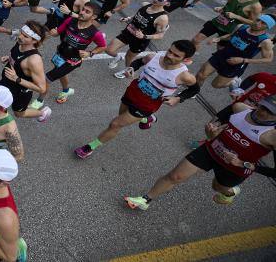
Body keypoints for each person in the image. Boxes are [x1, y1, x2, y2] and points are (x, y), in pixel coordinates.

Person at [124, 95, 276, 210]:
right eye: (263, 107)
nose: (263, 112)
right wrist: (211, 132)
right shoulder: (240, 109)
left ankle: (229, 193)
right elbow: (220, 120)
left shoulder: (272, 136)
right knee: (175, 176)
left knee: (217, 187)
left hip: (234, 168)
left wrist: (242, 163)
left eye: (270, 112)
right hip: (212, 149)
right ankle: (145, 200)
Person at [75, 41, 198, 158]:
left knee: (115, 124)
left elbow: (194, 89)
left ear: (186, 60)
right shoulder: (152, 58)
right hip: (132, 92)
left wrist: (178, 98)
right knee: (121, 116)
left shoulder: (185, 76)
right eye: (169, 51)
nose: (169, 55)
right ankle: (146, 119)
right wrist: (131, 68)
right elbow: (139, 62)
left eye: (176, 55)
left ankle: (89, 147)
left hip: (147, 105)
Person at [43, 1, 107, 105]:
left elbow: (103, 46)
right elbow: (57, 32)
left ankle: (39, 101)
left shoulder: (95, 33)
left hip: (72, 61)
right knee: (60, 73)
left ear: (93, 16)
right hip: (60, 53)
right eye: (83, 9)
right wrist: (53, 31)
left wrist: (90, 53)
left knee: (47, 78)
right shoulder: (71, 20)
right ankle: (66, 91)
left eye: (87, 12)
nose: (82, 12)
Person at [193, 15, 274, 91]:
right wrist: (218, 39)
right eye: (258, 20)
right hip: (221, 55)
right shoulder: (241, 27)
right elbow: (230, 36)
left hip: (235, 64)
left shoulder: (265, 41)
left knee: (216, 85)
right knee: (201, 74)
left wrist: (243, 60)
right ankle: (193, 91)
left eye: (263, 23)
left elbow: (268, 59)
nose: (258, 23)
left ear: (267, 27)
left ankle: (233, 81)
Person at [0, 21, 51, 122]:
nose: (20, 36)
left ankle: (43, 113)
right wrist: (9, 58)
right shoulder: (20, 43)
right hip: (6, 82)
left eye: (25, 36)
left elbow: (42, 89)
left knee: (19, 113)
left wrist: (17, 79)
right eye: (21, 33)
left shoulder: (34, 60)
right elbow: (18, 57)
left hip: (21, 92)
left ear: (34, 41)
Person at [106, 0, 171, 79]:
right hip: (128, 32)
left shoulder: (162, 18)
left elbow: (160, 35)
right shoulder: (145, 5)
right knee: (109, 49)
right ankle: (117, 57)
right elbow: (138, 15)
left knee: (128, 57)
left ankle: (127, 72)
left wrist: (144, 36)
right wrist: (128, 18)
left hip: (140, 41)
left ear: (167, 3)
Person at [191, 0, 263, 48]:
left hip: (230, 30)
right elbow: (227, 6)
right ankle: (188, 58)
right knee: (195, 40)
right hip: (217, 22)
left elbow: (253, 22)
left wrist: (236, 16)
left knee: (220, 49)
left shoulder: (256, 6)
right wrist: (221, 8)